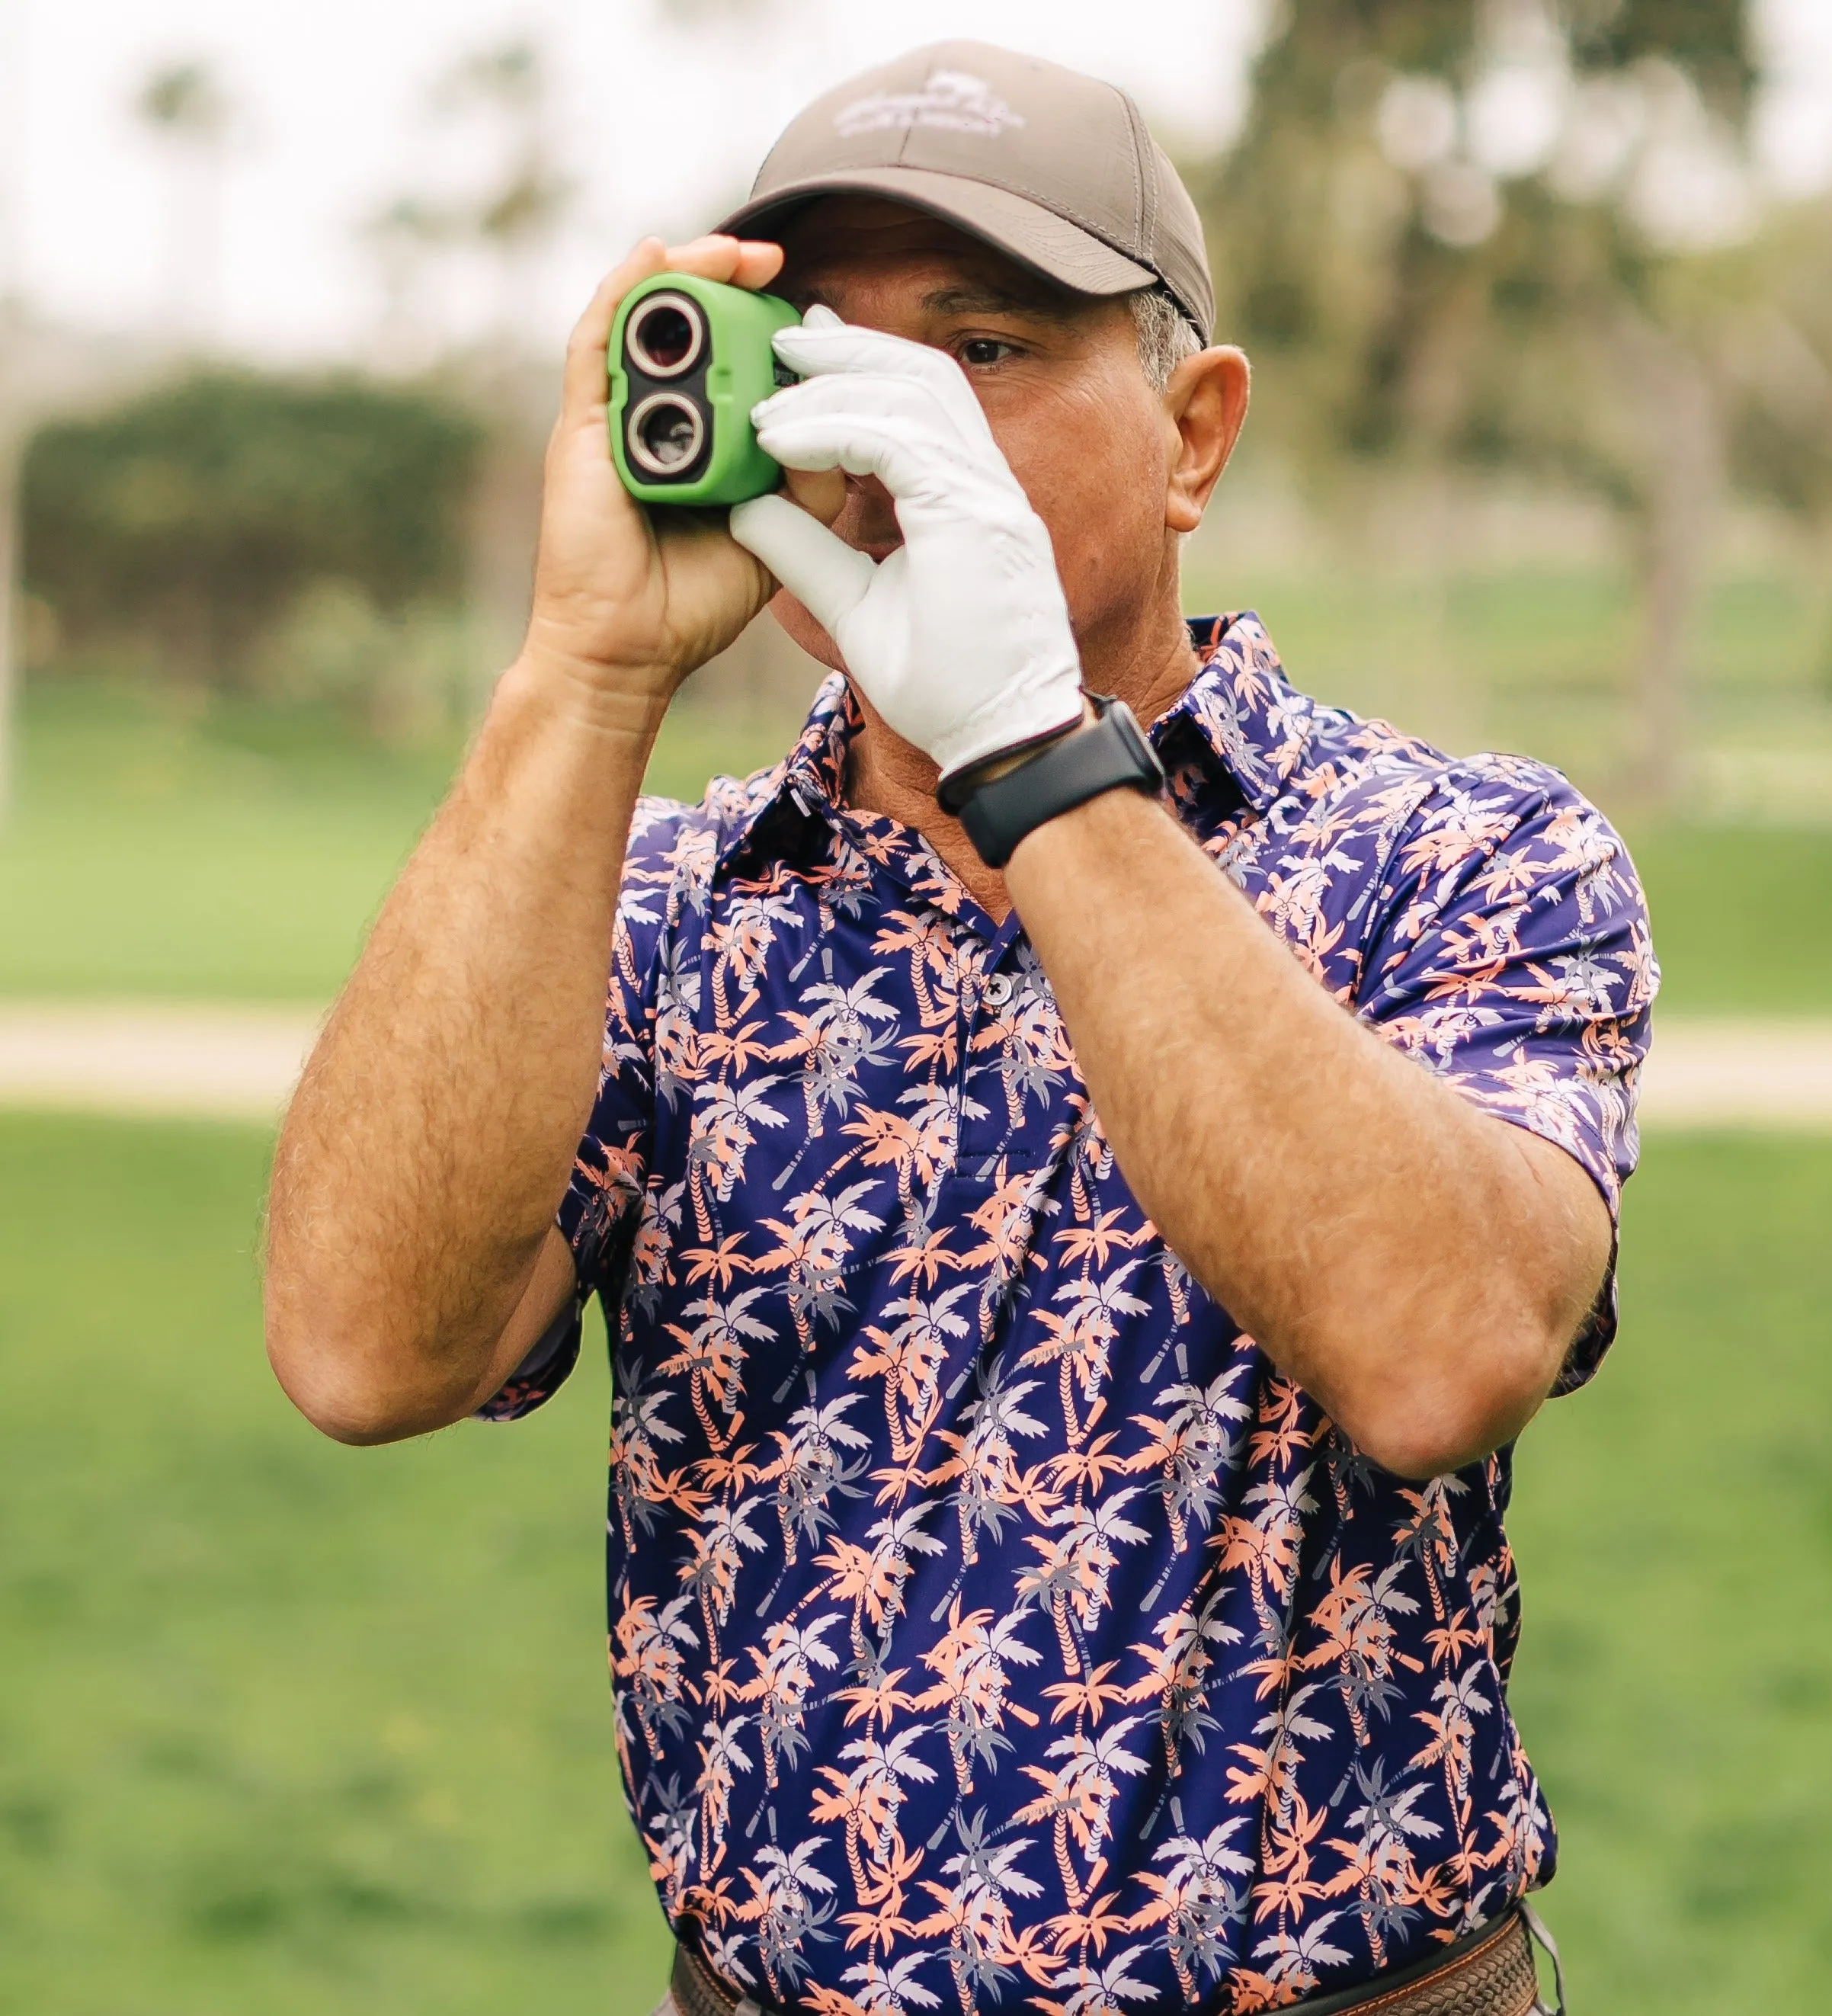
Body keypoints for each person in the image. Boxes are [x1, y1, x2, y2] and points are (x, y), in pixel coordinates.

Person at [265, 40, 1653, 2016]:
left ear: (1193, 433)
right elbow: (359, 1346)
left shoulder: (1461, 855)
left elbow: (1437, 1353)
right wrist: (581, 671)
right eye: (818, 351)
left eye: (985, 345)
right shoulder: (664, 900)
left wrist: (1028, 750)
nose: (885, 418)